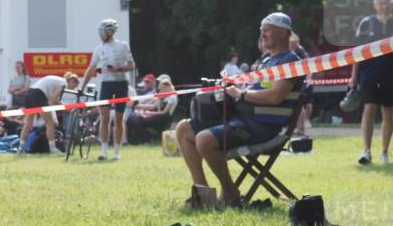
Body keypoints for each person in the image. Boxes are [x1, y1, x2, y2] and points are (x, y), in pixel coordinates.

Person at [175, 13, 305, 204]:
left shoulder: (290, 62)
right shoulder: (266, 60)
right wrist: (232, 86)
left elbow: (275, 97)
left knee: (204, 140)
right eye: (261, 31)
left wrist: (240, 94)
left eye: (267, 30)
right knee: (183, 129)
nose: (262, 35)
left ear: (284, 33)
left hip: (262, 127)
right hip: (243, 119)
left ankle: (230, 193)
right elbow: (254, 90)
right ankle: (202, 194)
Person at [80, 18, 134, 161]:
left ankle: (117, 151)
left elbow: (131, 65)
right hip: (106, 84)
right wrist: (82, 86)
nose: (100, 35)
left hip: (121, 83)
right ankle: (104, 151)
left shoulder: (122, 46)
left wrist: (119, 68)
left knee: (118, 119)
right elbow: (91, 68)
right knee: (104, 118)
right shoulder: (99, 48)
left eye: (102, 32)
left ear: (110, 32)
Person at [349, 0, 393, 164]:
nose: (384, 5)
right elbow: (357, 52)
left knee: (388, 113)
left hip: (390, 75)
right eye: (381, 2)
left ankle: (384, 152)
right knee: (369, 110)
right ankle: (366, 151)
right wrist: (354, 77)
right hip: (369, 75)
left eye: (387, 2)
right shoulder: (366, 23)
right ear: (374, 5)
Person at [18, 75, 66, 154]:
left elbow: (51, 99)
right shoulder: (63, 83)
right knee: (49, 123)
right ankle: (53, 149)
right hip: (38, 94)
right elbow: (54, 99)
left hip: (30, 93)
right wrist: (65, 106)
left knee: (28, 124)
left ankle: (21, 147)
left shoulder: (55, 81)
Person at [126, 74, 178, 144]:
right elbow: (155, 107)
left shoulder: (172, 97)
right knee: (136, 119)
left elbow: (163, 112)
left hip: (164, 117)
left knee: (138, 121)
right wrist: (159, 98)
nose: (158, 84)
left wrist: (150, 113)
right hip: (159, 115)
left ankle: (147, 139)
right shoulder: (163, 95)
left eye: (160, 82)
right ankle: (146, 138)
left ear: (166, 84)